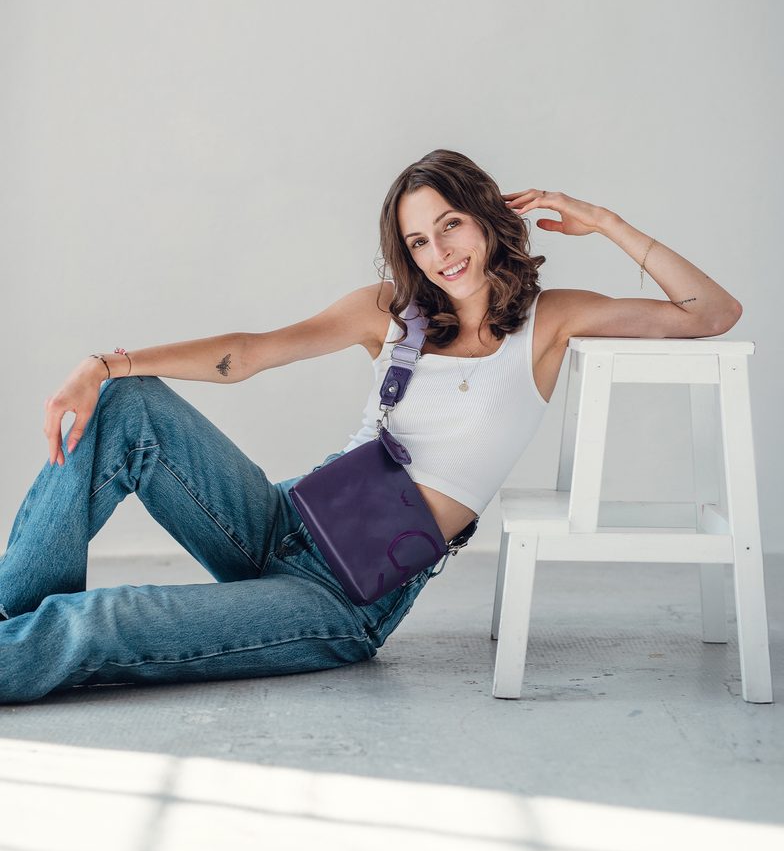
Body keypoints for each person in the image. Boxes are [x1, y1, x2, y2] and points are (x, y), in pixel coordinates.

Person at [0, 149, 742, 704]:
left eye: (450, 226)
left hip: (342, 598)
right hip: (281, 521)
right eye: (418, 241)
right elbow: (248, 354)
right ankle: (8, 612)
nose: (439, 254)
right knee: (127, 403)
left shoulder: (549, 322)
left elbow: (710, 313)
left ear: (487, 219)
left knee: (106, 620)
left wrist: (603, 221)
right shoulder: (391, 311)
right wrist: (105, 363)